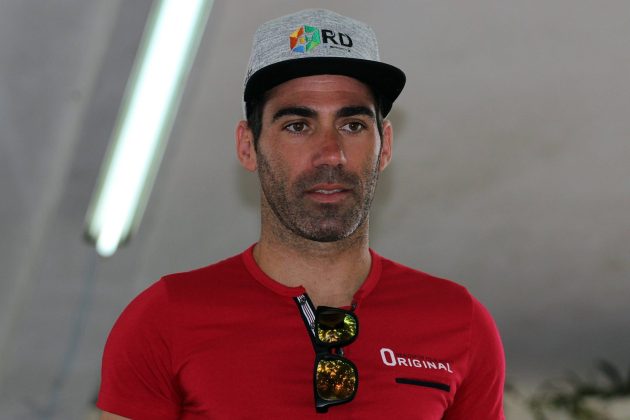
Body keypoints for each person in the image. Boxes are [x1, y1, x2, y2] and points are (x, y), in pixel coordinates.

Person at [97, 8, 505, 419]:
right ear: (248, 146)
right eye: (297, 125)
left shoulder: (459, 321)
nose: (331, 153)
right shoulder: (165, 318)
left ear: (385, 146)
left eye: (352, 125)